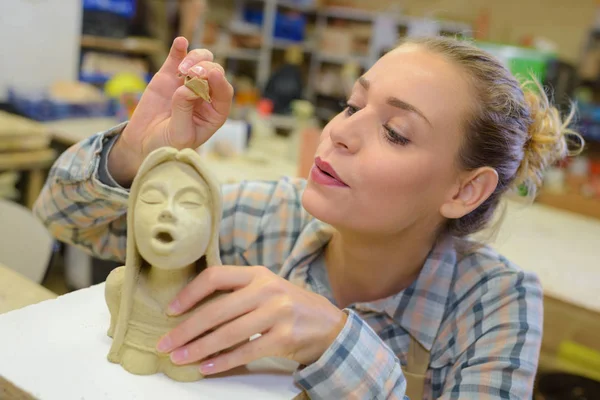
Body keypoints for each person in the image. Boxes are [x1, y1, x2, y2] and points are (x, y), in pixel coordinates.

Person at [33, 36, 583, 399]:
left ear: (466, 190)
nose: (339, 131)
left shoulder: (498, 304)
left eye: (395, 132)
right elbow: (66, 219)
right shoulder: (270, 217)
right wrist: (140, 151)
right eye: (351, 104)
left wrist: (336, 342)